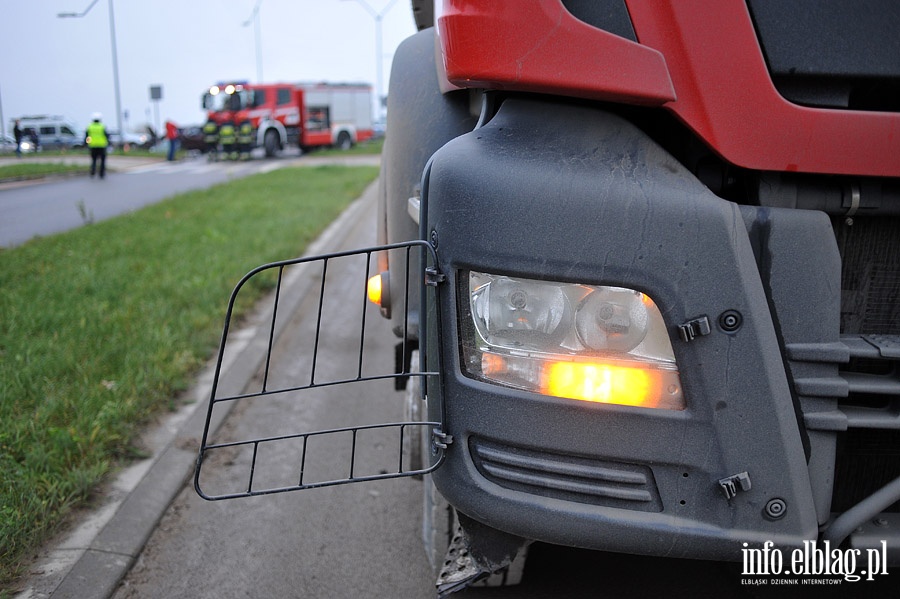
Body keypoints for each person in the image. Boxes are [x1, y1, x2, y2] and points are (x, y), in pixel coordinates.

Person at [84, 112, 109, 179]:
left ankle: (92, 171)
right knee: (102, 160)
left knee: (94, 160)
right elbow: (106, 136)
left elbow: (87, 137)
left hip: (92, 146)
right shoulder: (102, 126)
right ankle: (101, 173)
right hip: (102, 146)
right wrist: (108, 143)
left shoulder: (89, 127)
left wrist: (87, 144)